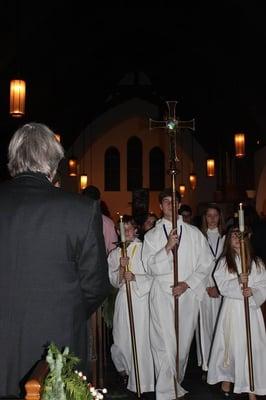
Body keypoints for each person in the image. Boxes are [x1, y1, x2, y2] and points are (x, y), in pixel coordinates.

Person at [0, 122, 110, 398]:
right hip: (57, 342)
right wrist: (66, 312)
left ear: (13, 160)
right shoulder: (80, 210)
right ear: (53, 163)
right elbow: (96, 286)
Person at [141, 188, 212, 399]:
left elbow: (206, 263)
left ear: (179, 205)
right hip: (161, 296)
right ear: (160, 206)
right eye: (166, 202)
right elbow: (148, 266)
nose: (171, 205)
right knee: (163, 345)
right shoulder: (152, 236)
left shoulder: (194, 234)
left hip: (186, 297)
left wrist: (187, 284)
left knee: (180, 349)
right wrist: (166, 248)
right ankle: (166, 392)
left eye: (174, 202)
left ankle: (175, 382)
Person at [207, 226, 266, 400]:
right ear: (228, 240)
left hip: (251, 312)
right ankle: (227, 378)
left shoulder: (256, 262)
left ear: (245, 238)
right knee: (232, 347)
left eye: (238, 235)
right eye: (232, 236)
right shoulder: (225, 262)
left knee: (252, 347)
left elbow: (263, 284)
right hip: (232, 311)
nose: (235, 238)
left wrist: (253, 292)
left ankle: (251, 388)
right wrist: (238, 283)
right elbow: (222, 285)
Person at [108, 215, 154, 395]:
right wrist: (120, 269)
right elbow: (113, 281)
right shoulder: (114, 254)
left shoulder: (144, 249)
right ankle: (125, 370)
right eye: (122, 229)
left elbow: (154, 276)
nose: (126, 232)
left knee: (141, 340)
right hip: (123, 300)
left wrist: (135, 277)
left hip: (141, 301)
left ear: (136, 230)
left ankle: (142, 382)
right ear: (117, 231)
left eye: (129, 228)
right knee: (120, 340)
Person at [196, 204, 225, 377]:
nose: (212, 219)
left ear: (220, 217)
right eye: (209, 215)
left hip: (222, 288)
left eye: (215, 215)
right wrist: (207, 286)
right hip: (205, 288)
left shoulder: (226, 237)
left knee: (220, 326)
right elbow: (196, 264)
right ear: (205, 218)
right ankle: (207, 364)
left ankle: (220, 363)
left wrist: (219, 288)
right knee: (206, 326)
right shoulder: (199, 237)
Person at [83, 185, 118, 254]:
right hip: (101, 262)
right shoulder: (108, 223)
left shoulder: (76, 220)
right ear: (99, 201)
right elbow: (113, 251)